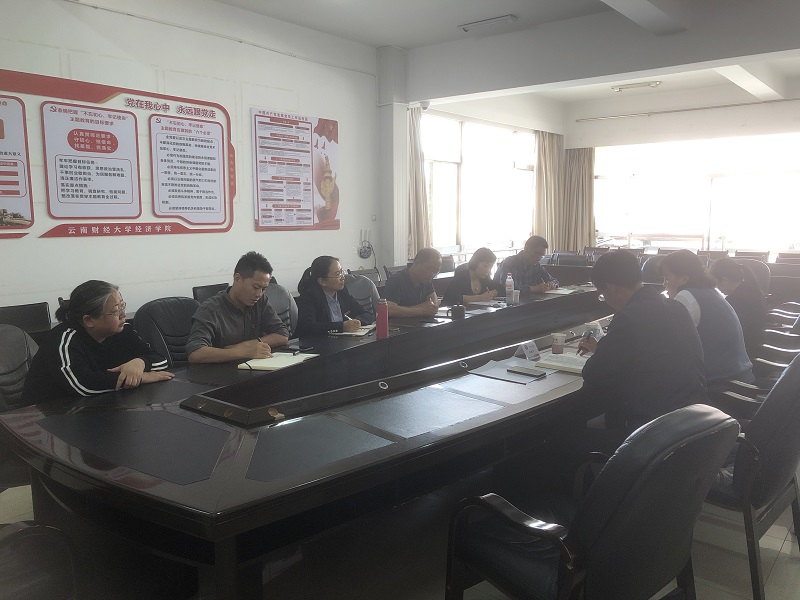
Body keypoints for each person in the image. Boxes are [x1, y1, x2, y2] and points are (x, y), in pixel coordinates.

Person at [575, 250, 708, 444]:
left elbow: (594, 373)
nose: (606, 300)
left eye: (602, 294)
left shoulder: (629, 317)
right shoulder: (676, 307)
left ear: (611, 288)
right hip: (693, 420)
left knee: (563, 438)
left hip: (650, 430)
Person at [21, 280, 173, 405]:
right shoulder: (62, 340)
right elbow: (82, 384)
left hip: (100, 407)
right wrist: (140, 377)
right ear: (89, 320)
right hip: (49, 415)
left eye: (122, 306)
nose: (123, 314)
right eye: (116, 311)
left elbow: (161, 360)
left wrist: (140, 363)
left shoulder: (123, 330)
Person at [659, 250, 754, 387]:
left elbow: (672, 345)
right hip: (739, 379)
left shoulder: (685, 297)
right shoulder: (712, 293)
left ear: (683, 279)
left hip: (719, 386)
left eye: (667, 279)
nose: (664, 284)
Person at [186, 251, 290, 363]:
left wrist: (247, 345)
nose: (259, 294)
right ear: (237, 278)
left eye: (264, 289)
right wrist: (245, 352)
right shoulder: (211, 310)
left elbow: (282, 334)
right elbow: (195, 353)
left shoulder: (260, 302)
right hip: (222, 371)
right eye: (255, 287)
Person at [295, 256, 375, 336]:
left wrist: (356, 322)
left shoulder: (342, 292)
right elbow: (308, 327)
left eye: (342, 272)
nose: (343, 277)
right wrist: (342, 326)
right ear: (322, 281)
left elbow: (367, 314)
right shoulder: (309, 297)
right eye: (337, 274)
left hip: (343, 340)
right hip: (320, 342)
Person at [709, 257, 767, 360]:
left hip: (744, 353)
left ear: (724, 280)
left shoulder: (735, 300)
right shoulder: (751, 290)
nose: (718, 289)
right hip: (755, 346)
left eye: (716, 284)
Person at [384, 248, 442, 317]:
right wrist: (421, 310)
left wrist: (430, 308)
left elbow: (433, 301)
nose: (432, 274)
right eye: (429, 269)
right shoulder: (396, 280)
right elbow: (388, 309)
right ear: (417, 263)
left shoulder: (426, 279)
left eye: (436, 271)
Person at [492, 235, 558, 293]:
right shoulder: (509, 263)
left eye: (542, 255)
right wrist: (533, 289)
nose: (539, 258)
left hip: (528, 301)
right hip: (506, 301)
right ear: (526, 248)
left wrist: (552, 284)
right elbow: (506, 287)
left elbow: (554, 280)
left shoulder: (537, 266)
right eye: (537, 253)